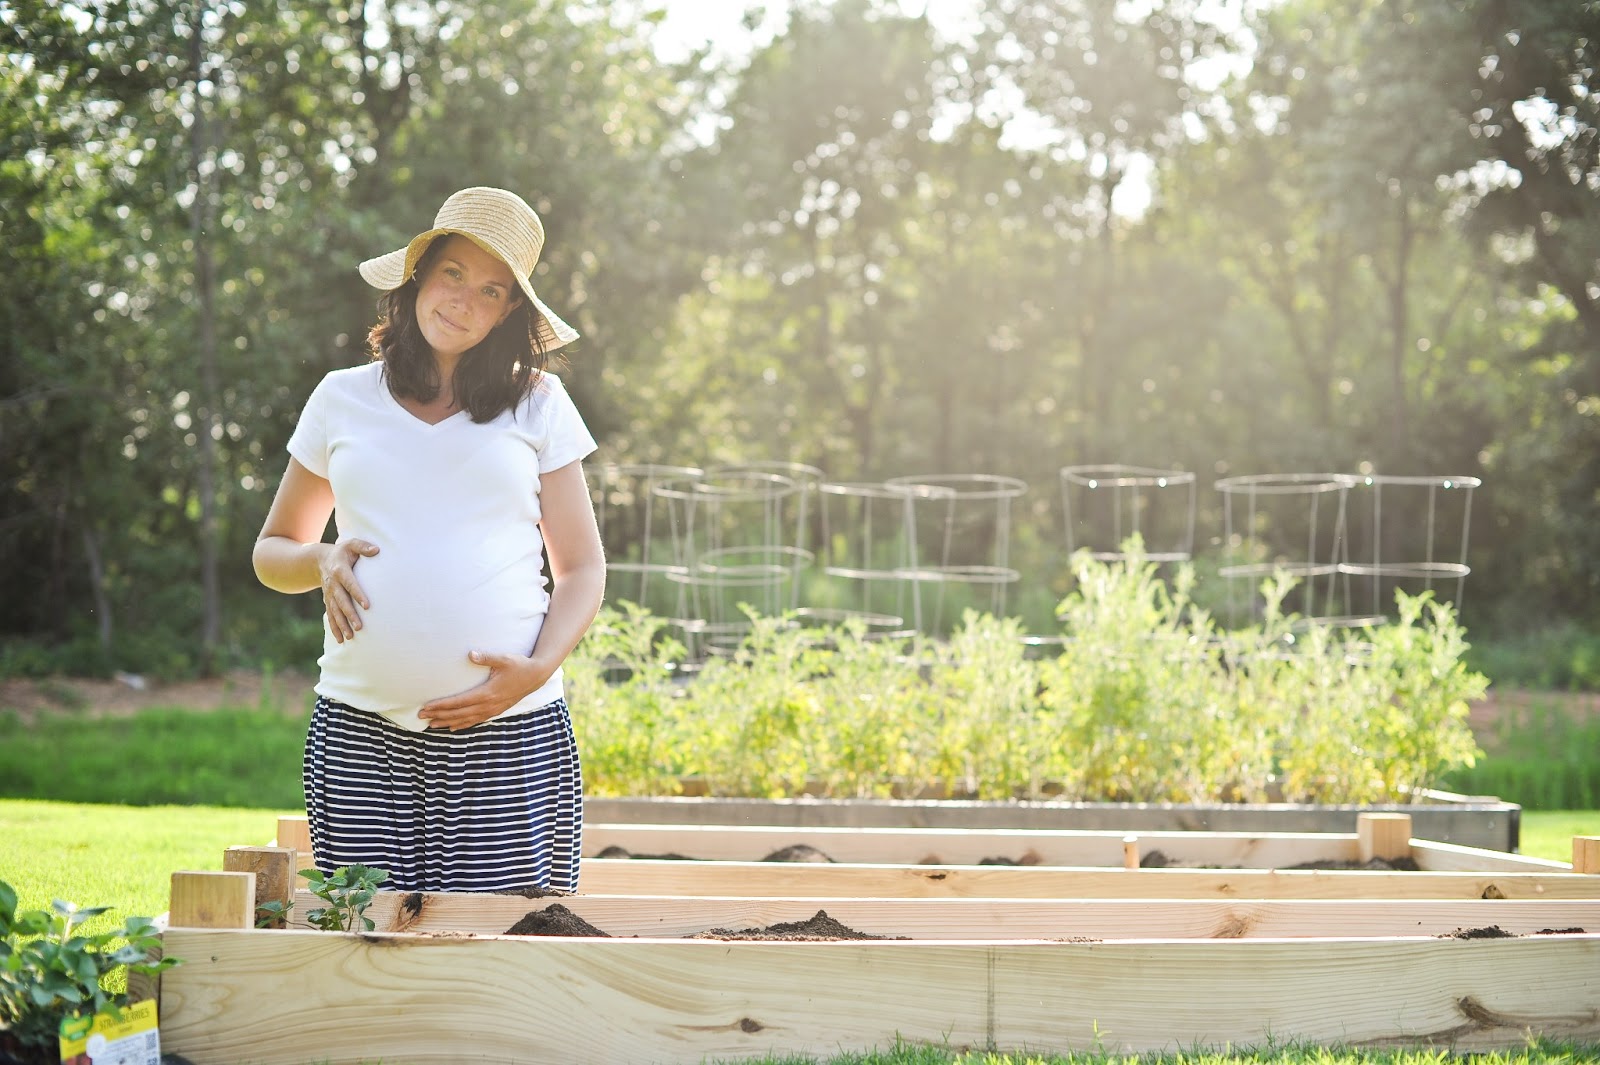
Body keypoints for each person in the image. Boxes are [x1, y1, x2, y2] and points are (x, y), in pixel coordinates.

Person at [253, 186, 605, 894]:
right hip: (359, 735)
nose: (464, 300)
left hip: (510, 733)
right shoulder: (341, 398)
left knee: (504, 959)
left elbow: (583, 568)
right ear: (419, 276)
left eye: (491, 289)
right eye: (453, 274)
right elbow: (272, 553)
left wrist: (535, 671)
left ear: (509, 309)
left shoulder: (539, 403)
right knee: (369, 953)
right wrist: (320, 558)